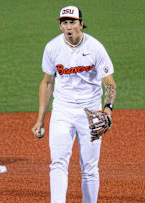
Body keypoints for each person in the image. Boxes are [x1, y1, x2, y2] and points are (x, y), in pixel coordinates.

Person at [31, 5, 117, 203]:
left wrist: (107, 111)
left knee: (89, 167)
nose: (68, 26)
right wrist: (40, 120)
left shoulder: (95, 47)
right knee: (58, 163)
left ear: (81, 24)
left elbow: (109, 83)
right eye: (65, 22)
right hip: (62, 111)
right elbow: (47, 82)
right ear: (61, 26)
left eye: (72, 22)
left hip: (91, 112)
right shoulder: (52, 48)